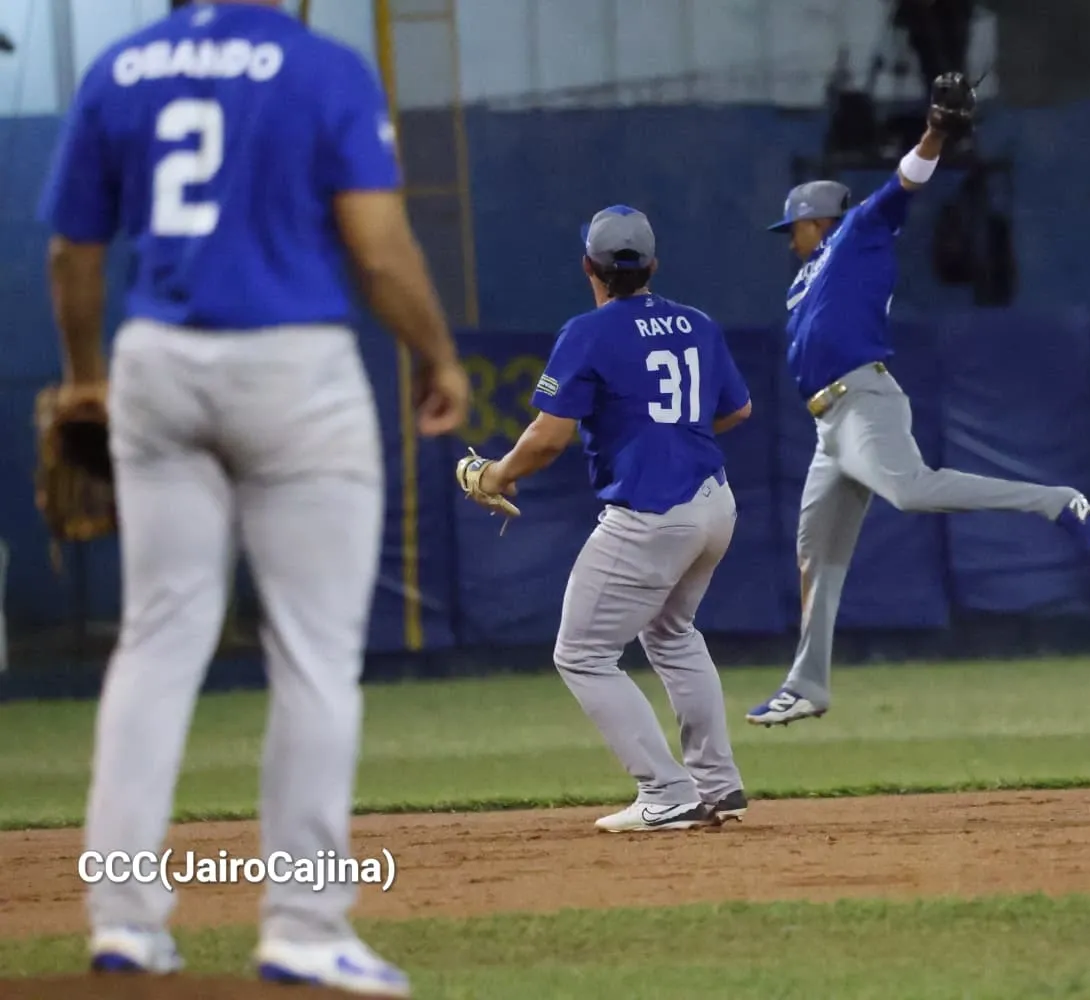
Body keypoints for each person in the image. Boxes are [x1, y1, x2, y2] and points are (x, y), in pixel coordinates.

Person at [39, 1, 469, 996]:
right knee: (313, 653)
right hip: (293, 366)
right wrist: (433, 352)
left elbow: (74, 251)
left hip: (156, 362)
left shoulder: (123, 68)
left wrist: (82, 376)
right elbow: (375, 245)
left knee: (155, 641)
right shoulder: (322, 69)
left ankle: (124, 919)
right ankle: (304, 924)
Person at [746, 73, 1090, 729]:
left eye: (792, 227)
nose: (788, 238)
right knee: (815, 552)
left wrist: (936, 130)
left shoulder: (855, 234)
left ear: (817, 220)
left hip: (864, 402)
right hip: (827, 426)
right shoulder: (805, 279)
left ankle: (1057, 502)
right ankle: (807, 685)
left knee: (909, 490)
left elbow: (906, 182)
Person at [470, 206, 752, 832]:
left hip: (652, 514)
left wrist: (499, 473)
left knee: (582, 654)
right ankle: (717, 783)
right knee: (673, 635)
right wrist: (670, 425)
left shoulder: (589, 331)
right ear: (652, 265)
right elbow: (738, 409)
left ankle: (667, 791)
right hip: (714, 502)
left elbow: (546, 438)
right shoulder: (698, 323)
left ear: (588, 267)